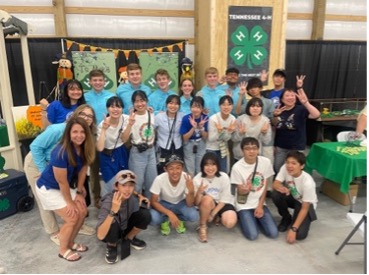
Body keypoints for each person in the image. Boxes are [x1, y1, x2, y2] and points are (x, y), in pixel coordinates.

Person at [24, 104, 98, 245]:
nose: (86, 118)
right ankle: (54, 232)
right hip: (37, 162)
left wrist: (79, 189)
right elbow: (35, 147)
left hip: (55, 166)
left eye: (90, 116)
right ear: (75, 114)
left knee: (68, 201)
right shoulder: (59, 129)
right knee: (45, 200)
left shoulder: (85, 136)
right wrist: (43, 169)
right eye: (83, 114)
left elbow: (82, 165)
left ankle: (75, 224)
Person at [35, 117, 95, 261]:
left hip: (64, 187)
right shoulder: (60, 152)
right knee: (72, 216)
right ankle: (62, 250)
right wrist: (70, 202)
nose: (79, 135)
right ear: (68, 133)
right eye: (75, 132)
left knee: (83, 211)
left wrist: (80, 193)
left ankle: (70, 242)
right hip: (49, 188)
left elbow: (82, 170)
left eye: (82, 132)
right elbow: (61, 182)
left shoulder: (84, 148)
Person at [96, 170, 151, 264]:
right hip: (110, 231)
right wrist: (113, 211)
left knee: (145, 214)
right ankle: (112, 245)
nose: (127, 189)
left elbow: (130, 191)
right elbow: (100, 235)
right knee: (112, 221)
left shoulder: (128, 195)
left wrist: (139, 195)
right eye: (124, 185)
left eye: (131, 185)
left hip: (124, 226)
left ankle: (128, 238)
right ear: (116, 186)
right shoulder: (108, 202)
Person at [230, 137, 278, 241]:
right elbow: (240, 190)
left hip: (259, 202)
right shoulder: (237, 167)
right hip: (244, 204)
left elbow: (265, 186)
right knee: (253, 235)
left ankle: (254, 218)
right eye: (247, 149)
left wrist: (260, 205)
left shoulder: (265, 162)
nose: (251, 151)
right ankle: (243, 216)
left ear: (258, 149)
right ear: (242, 151)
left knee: (273, 233)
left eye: (254, 148)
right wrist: (244, 189)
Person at [271, 151, 318, 244]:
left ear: (302, 166)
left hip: (305, 204)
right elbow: (275, 183)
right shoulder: (285, 168)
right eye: (288, 162)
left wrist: (293, 229)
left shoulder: (308, 182)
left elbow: (305, 208)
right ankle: (286, 217)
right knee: (275, 194)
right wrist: (281, 188)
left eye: (294, 163)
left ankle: (296, 221)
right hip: (293, 197)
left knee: (299, 235)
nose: (289, 166)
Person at [84, 69, 114, 208]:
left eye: (100, 80)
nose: (98, 83)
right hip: (90, 135)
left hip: (109, 134)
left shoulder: (111, 96)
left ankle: (114, 194)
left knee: (111, 166)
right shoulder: (85, 97)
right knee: (94, 168)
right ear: (90, 81)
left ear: (104, 81)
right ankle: (97, 197)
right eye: (94, 80)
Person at [272, 88, 320, 173]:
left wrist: (306, 103)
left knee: (293, 171)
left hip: (296, 147)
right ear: (282, 99)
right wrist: (275, 116)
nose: (290, 97)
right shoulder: (279, 110)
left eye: (292, 95)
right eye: (287, 95)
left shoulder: (300, 109)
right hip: (281, 147)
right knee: (278, 169)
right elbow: (275, 126)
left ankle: (292, 186)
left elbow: (316, 115)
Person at [193, 152, 237, 243]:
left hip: (222, 203)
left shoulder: (224, 177)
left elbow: (225, 199)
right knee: (207, 199)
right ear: (202, 166)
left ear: (217, 165)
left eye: (213, 164)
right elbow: (196, 203)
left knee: (230, 223)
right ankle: (202, 226)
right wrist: (199, 193)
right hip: (208, 204)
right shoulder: (198, 178)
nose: (210, 168)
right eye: (207, 165)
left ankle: (217, 216)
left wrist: (212, 214)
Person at [150, 154, 199, 235]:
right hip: (164, 203)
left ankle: (179, 219)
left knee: (194, 216)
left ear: (182, 168)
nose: (175, 172)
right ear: (165, 169)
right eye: (171, 168)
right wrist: (170, 213)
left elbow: (189, 204)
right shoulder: (159, 179)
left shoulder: (187, 178)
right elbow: (153, 202)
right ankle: (165, 220)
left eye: (178, 168)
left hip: (180, 203)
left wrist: (191, 191)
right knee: (153, 218)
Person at [122, 90, 157, 199]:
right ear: (133, 104)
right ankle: (135, 209)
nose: (140, 104)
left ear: (146, 101)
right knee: (136, 184)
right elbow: (124, 139)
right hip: (137, 153)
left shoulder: (151, 113)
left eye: (142, 100)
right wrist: (129, 124)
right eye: (136, 101)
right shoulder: (130, 118)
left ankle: (149, 208)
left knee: (152, 182)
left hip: (151, 152)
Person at [96, 96, 130, 196]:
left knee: (124, 181)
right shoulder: (103, 124)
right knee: (111, 184)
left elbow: (124, 139)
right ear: (107, 109)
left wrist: (130, 125)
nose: (115, 109)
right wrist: (103, 130)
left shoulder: (126, 118)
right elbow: (100, 148)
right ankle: (109, 207)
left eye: (119, 107)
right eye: (112, 107)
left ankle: (123, 207)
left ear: (122, 109)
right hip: (106, 155)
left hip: (121, 152)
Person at [246, 77, 275, 165]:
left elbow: (273, 122)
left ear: (260, 88)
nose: (253, 90)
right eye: (250, 88)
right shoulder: (248, 103)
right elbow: (239, 112)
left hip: (266, 139)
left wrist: (276, 116)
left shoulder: (269, 102)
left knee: (267, 164)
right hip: (252, 139)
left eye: (255, 87)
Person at [154, 95, 184, 174]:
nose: (173, 106)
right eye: (171, 103)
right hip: (163, 147)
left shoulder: (182, 116)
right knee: (162, 170)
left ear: (179, 106)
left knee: (177, 170)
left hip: (178, 147)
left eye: (176, 104)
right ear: (166, 104)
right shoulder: (159, 117)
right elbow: (152, 130)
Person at [207, 95, 237, 173]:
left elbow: (227, 139)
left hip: (223, 149)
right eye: (223, 104)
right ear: (219, 106)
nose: (226, 107)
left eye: (229, 104)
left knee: (224, 172)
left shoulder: (233, 119)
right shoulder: (213, 119)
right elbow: (211, 138)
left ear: (232, 106)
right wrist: (222, 132)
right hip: (212, 148)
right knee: (211, 171)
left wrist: (227, 132)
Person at [180, 96, 209, 176]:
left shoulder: (205, 118)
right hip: (189, 144)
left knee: (200, 169)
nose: (195, 109)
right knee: (190, 170)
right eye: (193, 107)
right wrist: (193, 127)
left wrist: (201, 127)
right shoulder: (186, 118)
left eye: (198, 107)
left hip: (201, 143)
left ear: (202, 108)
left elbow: (206, 137)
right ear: (190, 107)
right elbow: (184, 138)